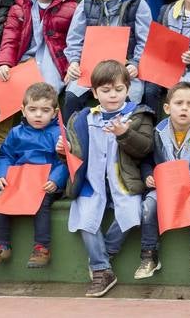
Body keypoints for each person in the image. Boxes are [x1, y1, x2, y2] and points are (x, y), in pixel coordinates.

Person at [64, 58, 155, 298]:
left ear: (128, 88)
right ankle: (102, 270)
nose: (112, 95)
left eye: (118, 89)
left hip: (123, 182)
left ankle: (104, 255)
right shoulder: (84, 118)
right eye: (105, 90)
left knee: (131, 213)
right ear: (94, 92)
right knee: (85, 219)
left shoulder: (138, 115)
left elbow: (145, 147)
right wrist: (63, 150)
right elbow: (75, 150)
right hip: (91, 184)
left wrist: (125, 134)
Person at [0, 82, 66, 270]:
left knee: (42, 204)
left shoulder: (58, 134)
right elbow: (5, 156)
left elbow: (64, 160)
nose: (38, 115)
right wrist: (1, 175)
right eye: (32, 109)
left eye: (45, 110)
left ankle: (42, 247)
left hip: (45, 182)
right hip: (18, 181)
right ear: (23, 110)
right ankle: (1, 245)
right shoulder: (15, 133)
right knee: (2, 201)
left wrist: (55, 180)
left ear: (54, 112)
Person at [136, 83, 190, 279]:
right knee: (149, 205)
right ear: (167, 108)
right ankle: (149, 255)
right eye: (179, 103)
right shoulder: (156, 132)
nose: (184, 108)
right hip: (165, 187)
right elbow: (146, 159)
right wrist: (148, 175)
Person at [0, 0, 77, 92]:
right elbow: (10, 39)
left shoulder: (72, 8)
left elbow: (76, 43)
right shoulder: (19, 7)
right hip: (26, 59)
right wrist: (4, 63)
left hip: (54, 60)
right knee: (8, 89)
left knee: (46, 91)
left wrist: (70, 66)